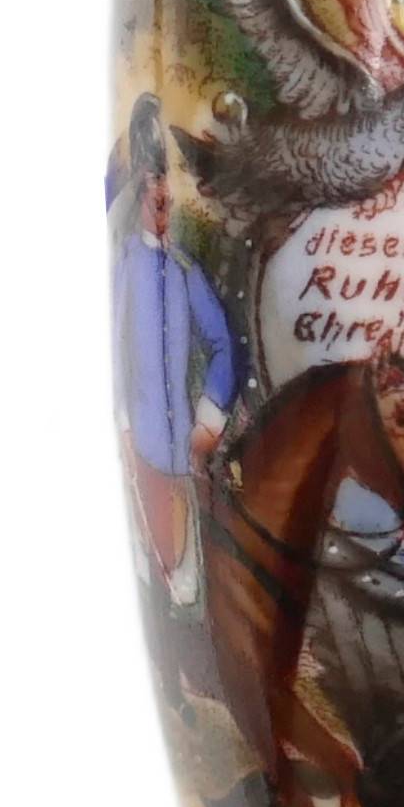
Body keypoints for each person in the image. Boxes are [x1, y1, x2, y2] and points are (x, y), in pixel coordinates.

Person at [109, 96, 240, 589]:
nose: (159, 191)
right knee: (155, 569)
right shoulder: (126, 264)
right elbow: (118, 352)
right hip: (140, 449)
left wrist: (208, 422)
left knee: (190, 583)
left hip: (182, 453)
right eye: (150, 182)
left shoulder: (185, 269)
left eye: (164, 180)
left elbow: (223, 342)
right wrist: (124, 426)